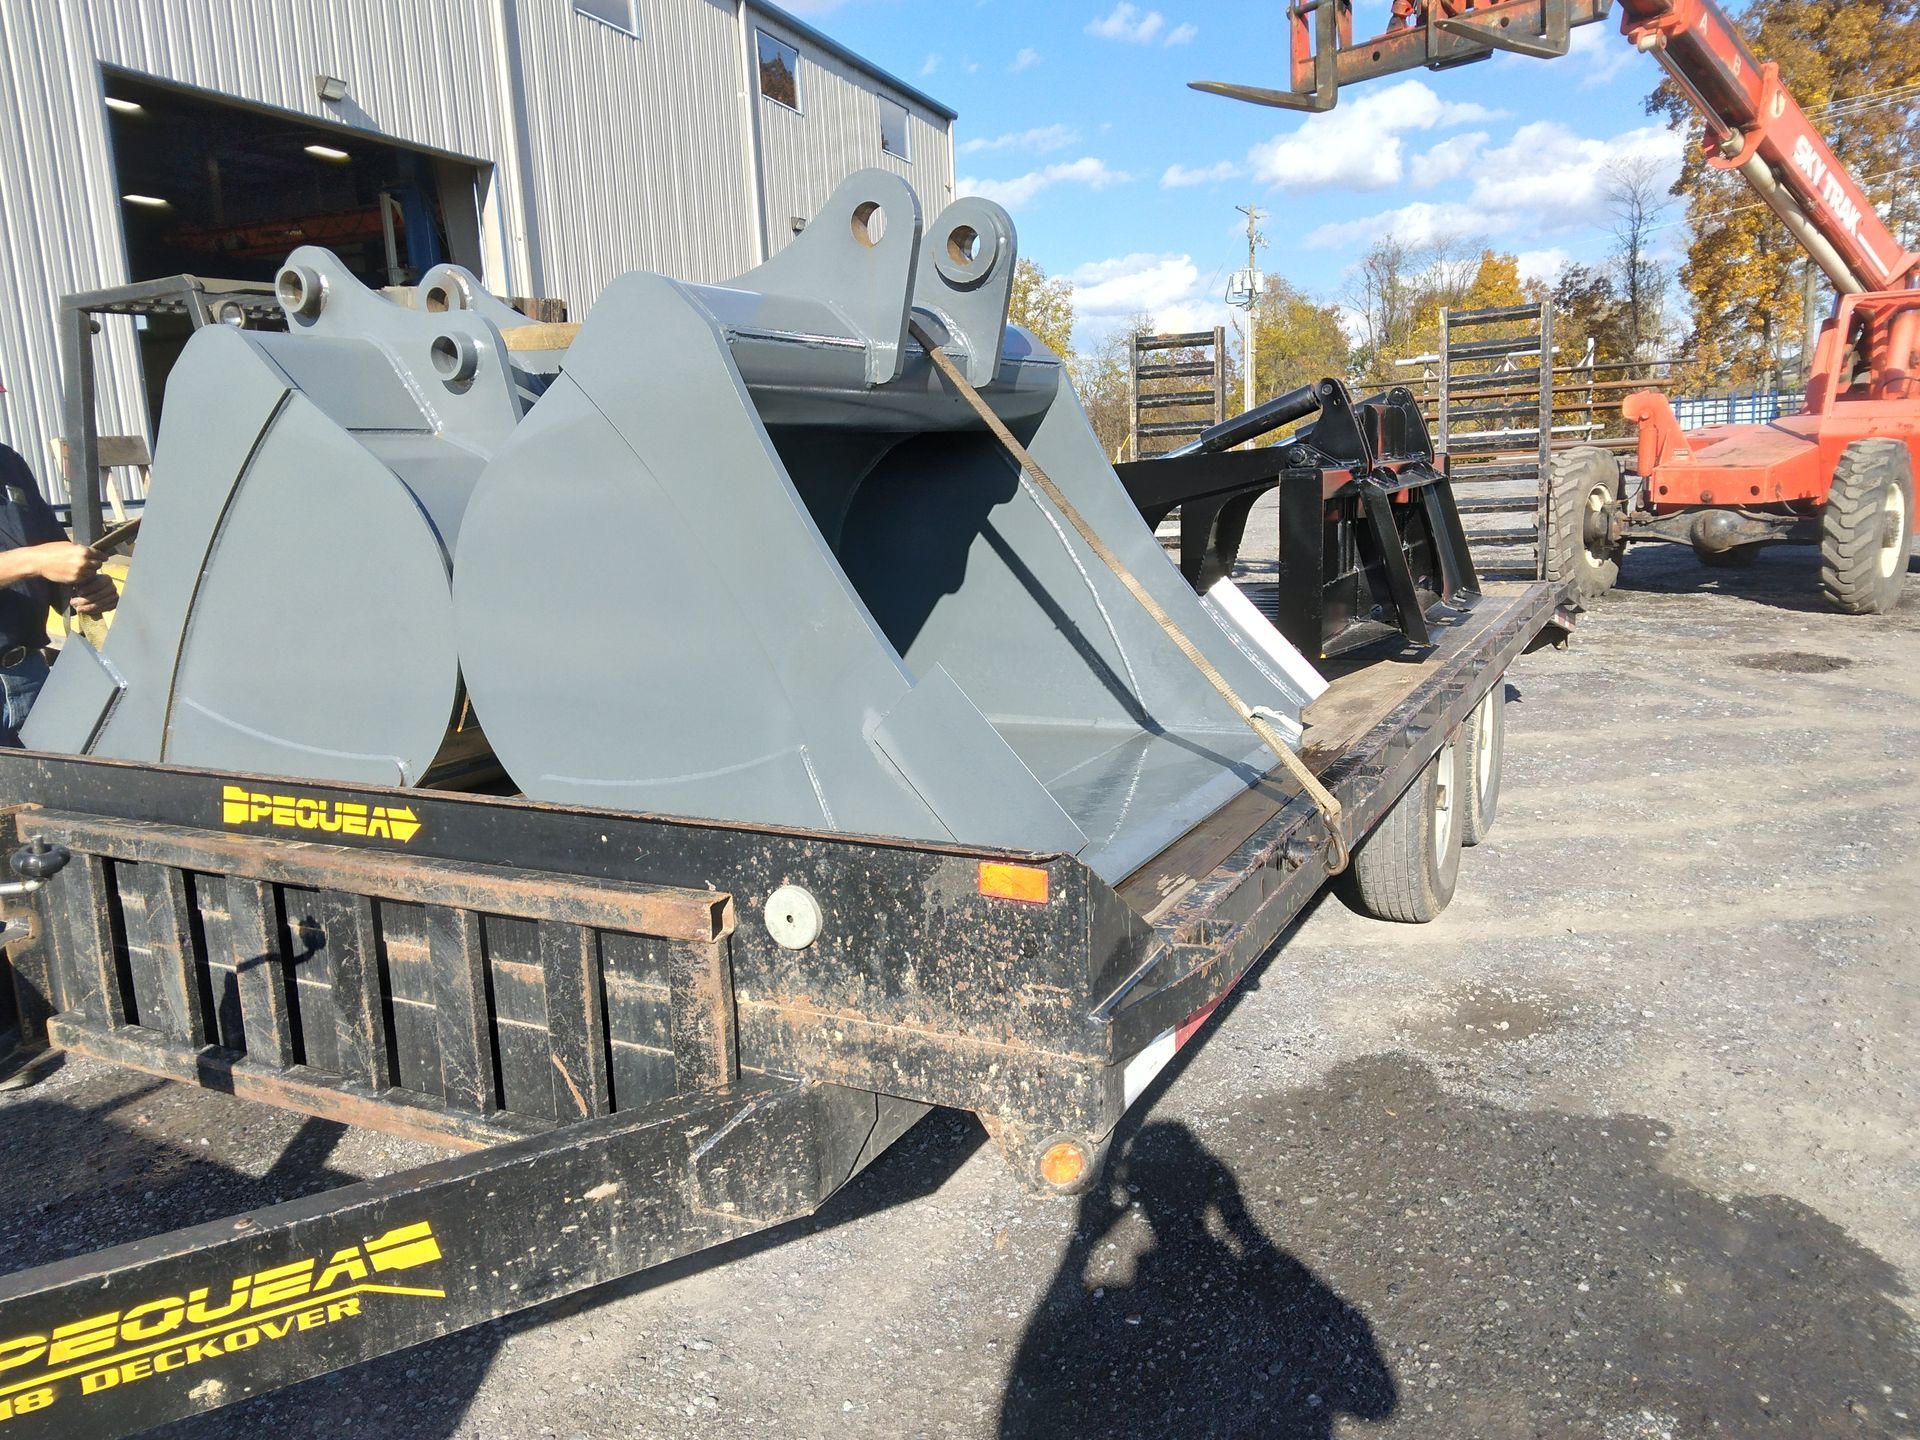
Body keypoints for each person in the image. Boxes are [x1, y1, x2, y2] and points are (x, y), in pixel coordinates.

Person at [0, 441, 117, 745]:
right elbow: (38, 559)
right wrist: (35, 561)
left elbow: (51, 550)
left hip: (29, 677)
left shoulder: (8, 462)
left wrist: (82, 588)